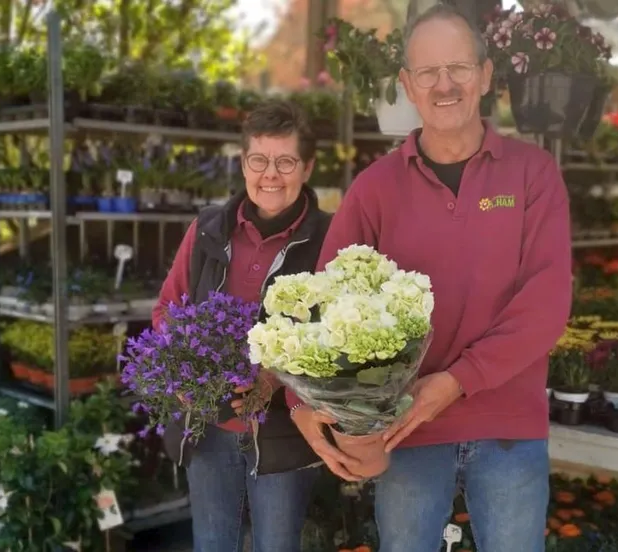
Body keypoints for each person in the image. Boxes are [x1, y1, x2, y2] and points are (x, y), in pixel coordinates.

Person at [288, 5, 572, 552]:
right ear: (406, 86)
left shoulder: (532, 174)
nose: (445, 85)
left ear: (486, 76)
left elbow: (546, 303)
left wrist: (453, 382)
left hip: (507, 427)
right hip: (405, 432)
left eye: (460, 68)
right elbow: (322, 309)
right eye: (427, 72)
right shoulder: (374, 189)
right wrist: (305, 403)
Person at [153, 99, 331, 552]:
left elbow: (335, 342)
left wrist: (272, 379)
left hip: (284, 437)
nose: (270, 174)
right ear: (243, 163)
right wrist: (179, 373)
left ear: (307, 167)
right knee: (213, 544)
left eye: (286, 161)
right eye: (259, 160)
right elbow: (168, 310)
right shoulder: (209, 229)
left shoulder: (331, 238)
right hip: (210, 430)